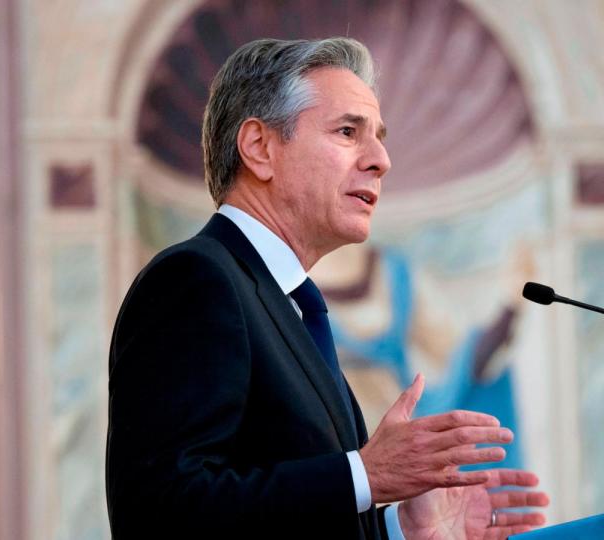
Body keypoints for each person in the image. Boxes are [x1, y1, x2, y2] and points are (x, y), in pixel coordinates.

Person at [106, 37, 549, 539]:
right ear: (259, 149)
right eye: (347, 132)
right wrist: (367, 474)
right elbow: (158, 511)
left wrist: (401, 530)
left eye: (378, 137)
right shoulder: (197, 281)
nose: (381, 159)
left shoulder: (291, 307)